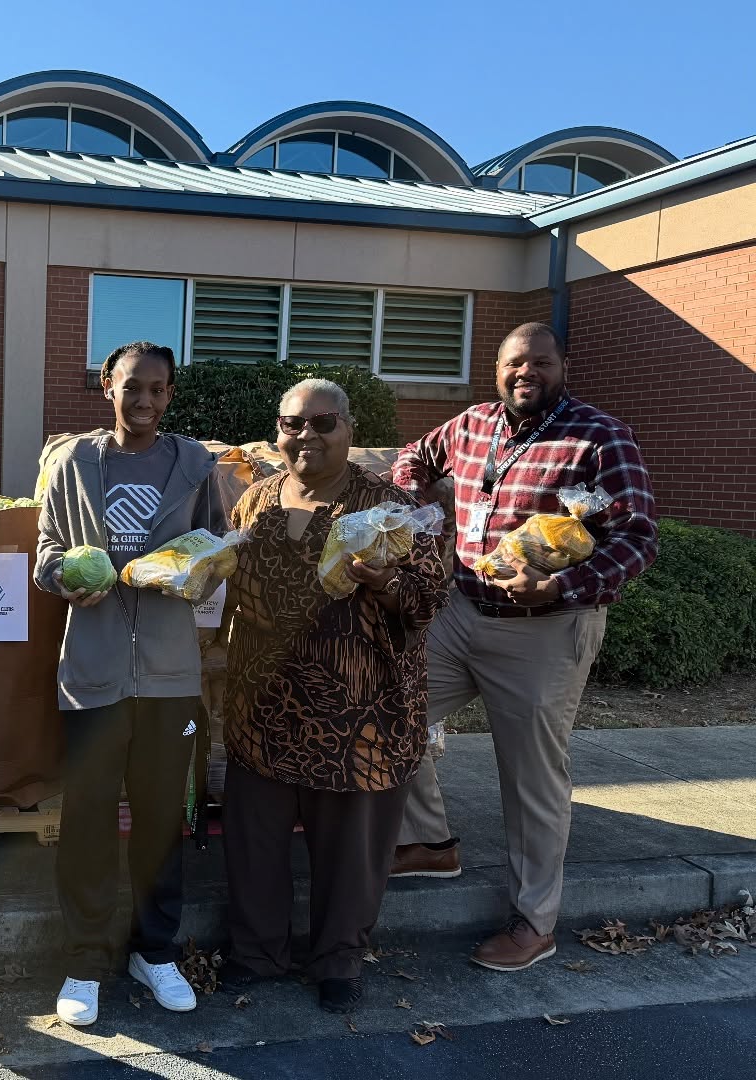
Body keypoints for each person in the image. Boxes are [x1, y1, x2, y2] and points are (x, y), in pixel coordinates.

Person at [389, 322, 658, 971]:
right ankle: (428, 842)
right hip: (460, 613)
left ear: (561, 365)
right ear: (498, 368)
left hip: (545, 627)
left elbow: (635, 537)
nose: (525, 373)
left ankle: (535, 922)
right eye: (514, 363)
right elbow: (413, 458)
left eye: (539, 362)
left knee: (532, 779)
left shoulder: (596, 439)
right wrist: (411, 507)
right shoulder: (473, 425)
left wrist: (561, 584)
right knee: (390, 708)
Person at [217, 379, 445, 1013]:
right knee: (255, 837)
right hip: (264, 706)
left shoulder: (388, 505)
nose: (307, 437)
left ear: (348, 429)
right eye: (294, 425)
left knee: (349, 847)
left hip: (360, 711)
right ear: (278, 431)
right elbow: (231, 589)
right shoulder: (254, 502)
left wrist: (387, 582)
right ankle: (256, 951)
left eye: (322, 424)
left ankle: (337, 959)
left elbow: (428, 601)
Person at [34, 340, 226, 1028]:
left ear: (170, 395)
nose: (142, 401)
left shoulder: (197, 467)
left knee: (160, 819)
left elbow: (218, 549)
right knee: (87, 818)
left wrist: (192, 572)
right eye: (130, 387)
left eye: (156, 389)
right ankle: (85, 960)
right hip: (93, 672)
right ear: (106, 389)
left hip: (171, 675)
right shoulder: (72, 465)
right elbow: (47, 552)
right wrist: (63, 579)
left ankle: (154, 950)